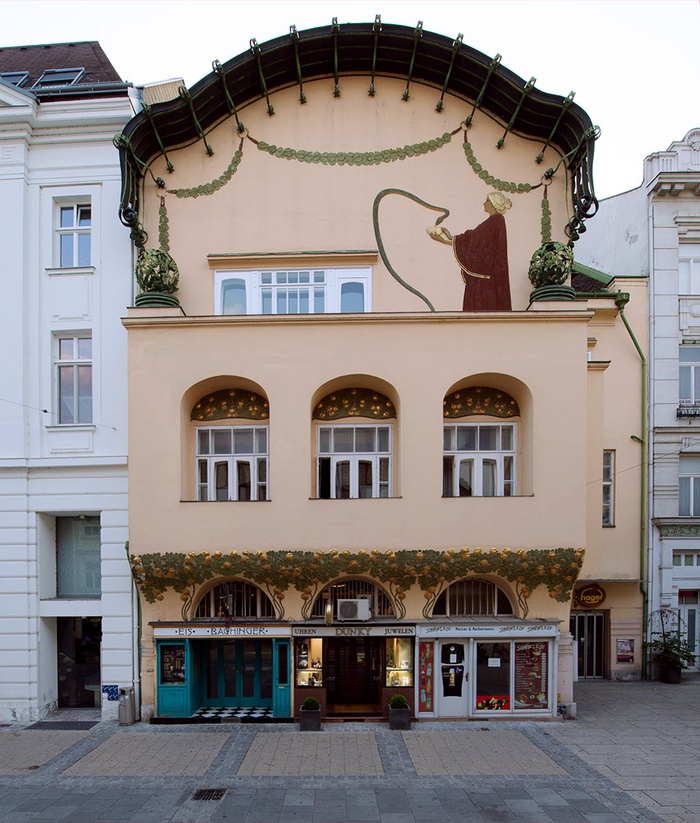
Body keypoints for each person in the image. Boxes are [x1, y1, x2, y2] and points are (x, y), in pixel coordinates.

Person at [427, 191, 512, 311]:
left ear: (493, 204)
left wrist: (451, 238)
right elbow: (474, 241)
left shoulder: (495, 221)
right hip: (481, 280)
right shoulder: (493, 222)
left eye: (487, 201)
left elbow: (475, 241)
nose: (484, 203)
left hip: (484, 283)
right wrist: (448, 240)